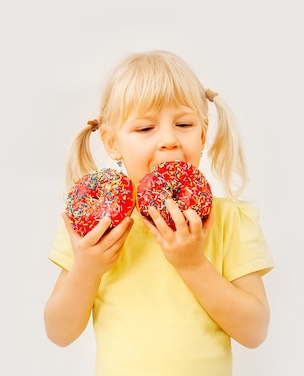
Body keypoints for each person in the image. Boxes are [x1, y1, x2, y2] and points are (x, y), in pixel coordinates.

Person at [44, 50, 274, 376]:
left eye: (183, 124)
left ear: (203, 134)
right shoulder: (95, 230)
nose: (168, 140)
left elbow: (255, 331)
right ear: (112, 143)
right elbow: (58, 333)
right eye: (145, 129)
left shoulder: (229, 221)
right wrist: (87, 269)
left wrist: (193, 264)